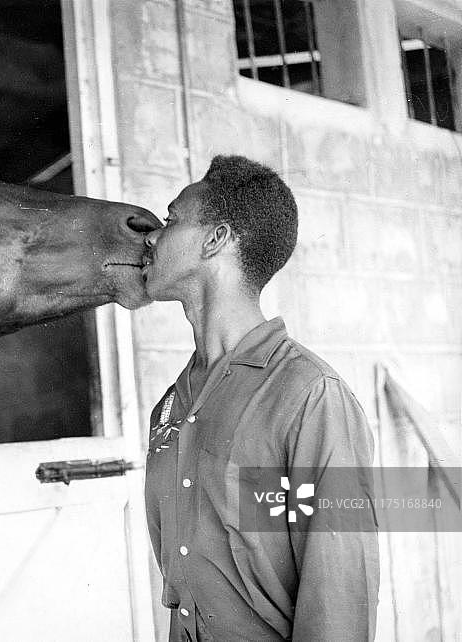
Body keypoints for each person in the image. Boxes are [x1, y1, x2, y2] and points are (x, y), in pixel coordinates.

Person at [142, 155, 379, 641]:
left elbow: (338, 598)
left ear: (216, 239)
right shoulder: (171, 404)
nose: (151, 237)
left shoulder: (310, 396)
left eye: (171, 219)